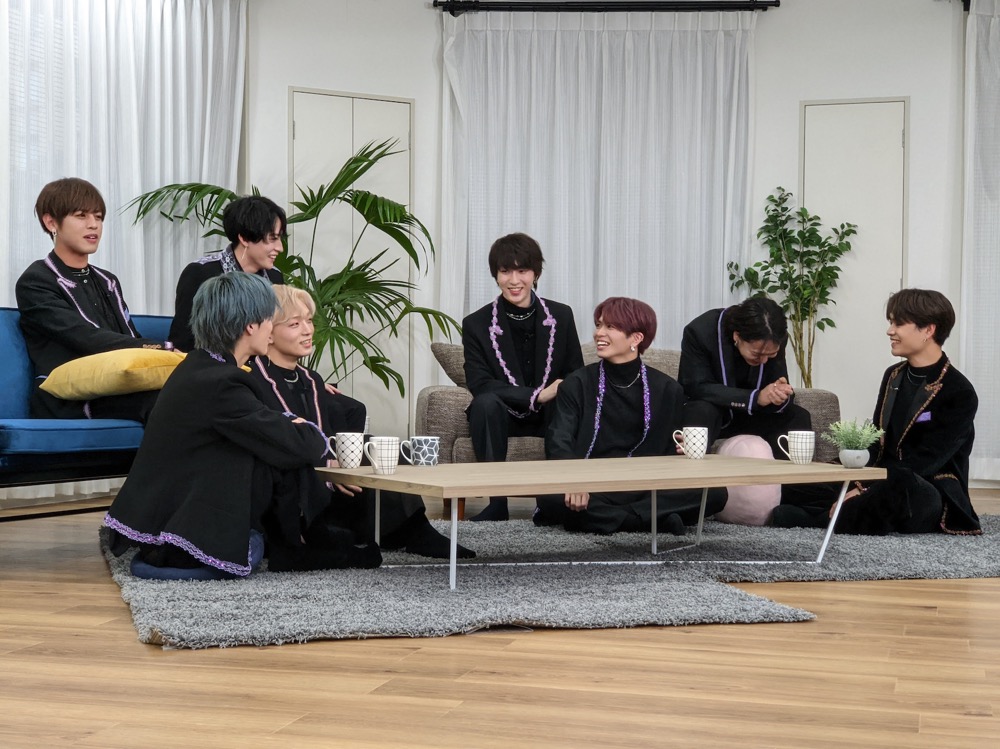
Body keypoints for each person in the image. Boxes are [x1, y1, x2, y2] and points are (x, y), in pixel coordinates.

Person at [105, 273, 381, 580]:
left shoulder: (200, 365)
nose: (270, 329)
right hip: (184, 531)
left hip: (172, 511)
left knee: (272, 444)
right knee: (279, 453)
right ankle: (296, 548)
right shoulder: (222, 383)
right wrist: (296, 426)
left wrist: (287, 426)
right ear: (251, 326)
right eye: (270, 320)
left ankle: (304, 541)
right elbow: (302, 442)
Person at [250, 285, 474, 559]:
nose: (308, 330)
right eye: (295, 324)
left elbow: (323, 434)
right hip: (290, 492)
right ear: (267, 331)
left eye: (309, 320)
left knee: (381, 449)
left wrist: (338, 464)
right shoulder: (253, 379)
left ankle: (416, 529)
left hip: (325, 478)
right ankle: (400, 533)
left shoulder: (311, 379)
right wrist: (326, 465)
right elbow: (275, 442)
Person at [772, 289, 981, 536]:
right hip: (880, 476)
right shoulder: (893, 376)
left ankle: (819, 519)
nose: (890, 331)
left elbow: (925, 462)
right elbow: (876, 438)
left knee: (900, 484)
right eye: (890, 322)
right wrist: (847, 471)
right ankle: (842, 511)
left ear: (928, 330)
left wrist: (863, 488)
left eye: (898, 323)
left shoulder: (959, 391)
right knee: (800, 480)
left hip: (924, 489)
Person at [537, 297, 727, 534]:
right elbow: (559, 439)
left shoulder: (667, 389)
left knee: (716, 492)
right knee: (549, 496)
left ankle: (612, 518)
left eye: (610, 327)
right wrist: (575, 480)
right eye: (599, 325)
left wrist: (682, 449)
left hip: (645, 485)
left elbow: (669, 452)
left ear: (636, 338)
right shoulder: (576, 383)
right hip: (592, 483)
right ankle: (651, 519)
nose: (598, 333)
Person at [15, 178, 169, 421]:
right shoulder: (36, 281)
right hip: (70, 399)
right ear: (51, 222)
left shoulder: (108, 280)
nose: (93, 225)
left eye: (98, 217)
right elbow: (85, 337)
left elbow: (130, 336)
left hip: (116, 387)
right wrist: (159, 347)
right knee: (168, 401)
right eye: (81, 216)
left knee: (202, 394)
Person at [461, 233, 584, 521]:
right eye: (505, 271)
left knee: (566, 400)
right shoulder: (476, 323)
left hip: (550, 413)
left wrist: (555, 393)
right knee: (484, 404)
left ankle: (551, 501)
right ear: (496, 275)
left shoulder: (561, 315)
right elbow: (480, 383)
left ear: (535, 274)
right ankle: (497, 503)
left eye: (523, 271)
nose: (514, 280)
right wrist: (535, 395)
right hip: (503, 415)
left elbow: (575, 372)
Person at [678, 297, 812, 459]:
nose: (764, 360)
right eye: (757, 354)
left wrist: (779, 394)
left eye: (770, 355)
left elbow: (776, 382)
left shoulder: (775, 338)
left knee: (799, 416)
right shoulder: (701, 331)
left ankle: (793, 475)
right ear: (737, 336)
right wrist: (754, 398)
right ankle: (694, 471)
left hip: (753, 415)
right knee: (700, 411)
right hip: (716, 414)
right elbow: (696, 386)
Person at [168, 195, 287, 352]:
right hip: (210, 364)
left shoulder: (275, 277)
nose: (280, 248)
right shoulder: (200, 273)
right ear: (244, 238)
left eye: (280, 239)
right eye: (272, 238)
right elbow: (182, 344)